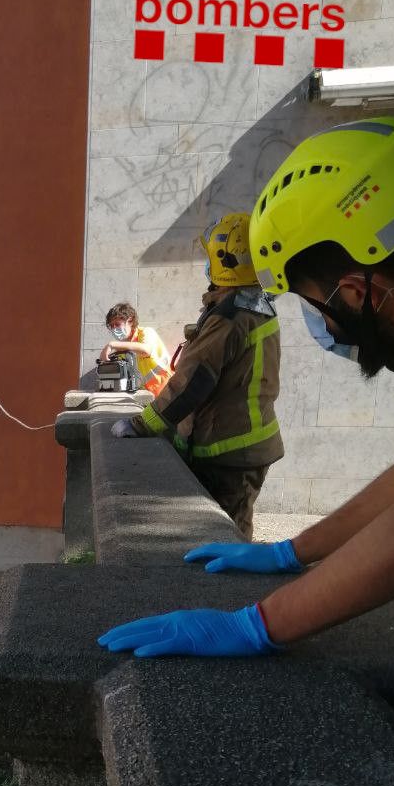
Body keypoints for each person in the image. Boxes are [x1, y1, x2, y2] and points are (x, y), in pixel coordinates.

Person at [98, 117, 394, 660]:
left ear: (358, 291)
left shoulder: (232, 315)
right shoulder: (248, 310)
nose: (326, 328)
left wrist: (261, 623)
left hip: (230, 449)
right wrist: (295, 552)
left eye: (317, 306)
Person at [111, 213, 284, 541]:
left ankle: (226, 594)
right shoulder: (258, 306)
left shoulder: (230, 318)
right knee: (236, 526)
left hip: (229, 450)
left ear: (224, 262)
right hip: (247, 446)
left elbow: (191, 383)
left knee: (225, 537)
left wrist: (140, 425)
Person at [99, 302, 173, 397]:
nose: (114, 329)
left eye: (117, 324)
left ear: (130, 321)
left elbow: (146, 350)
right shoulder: (122, 349)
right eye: (111, 326)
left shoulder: (146, 332)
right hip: (147, 397)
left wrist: (112, 344)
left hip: (167, 391)